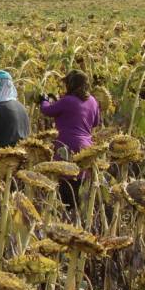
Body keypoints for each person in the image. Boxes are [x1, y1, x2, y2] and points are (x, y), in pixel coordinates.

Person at [40, 69, 101, 210]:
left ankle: (65, 217)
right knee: (80, 186)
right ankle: (76, 217)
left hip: (66, 147)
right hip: (86, 149)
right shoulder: (93, 101)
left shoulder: (67, 100)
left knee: (66, 187)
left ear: (71, 85)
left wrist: (44, 100)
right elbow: (96, 122)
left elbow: (47, 110)